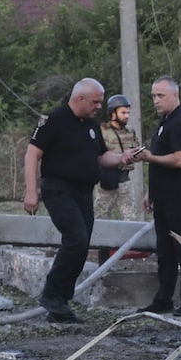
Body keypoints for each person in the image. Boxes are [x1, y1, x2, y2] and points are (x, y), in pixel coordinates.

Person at [22, 77, 127, 323]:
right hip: (58, 189)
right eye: (95, 102)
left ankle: (59, 303)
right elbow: (32, 153)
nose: (99, 107)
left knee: (82, 245)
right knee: (76, 238)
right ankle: (51, 294)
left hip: (83, 192)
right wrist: (31, 191)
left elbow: (103, 157)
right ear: (79, 98)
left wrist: (123, 158)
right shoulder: (54, 120)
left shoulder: (91, 125)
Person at [140, 76, 181, 315]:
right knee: (164, 250)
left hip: (178, 196)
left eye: (160, 95)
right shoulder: (165, 122)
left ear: (175, 95)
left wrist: (149, 157)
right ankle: (163, 298)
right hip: (162, 196)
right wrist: (150, 192)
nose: (156, 101)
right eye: (154, 96)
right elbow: (160, 157)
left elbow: (179, 159)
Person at [95, 93, 139, 229]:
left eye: (128, 112)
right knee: (100, 218)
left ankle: (129, 249)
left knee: (131, 219)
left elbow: (136, 149)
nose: (126, 116)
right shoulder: (102, 131)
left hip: (125, 180)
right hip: (106, 180)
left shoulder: (130, 131)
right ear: (113, 113)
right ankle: (100, 248)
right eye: (123, 112)